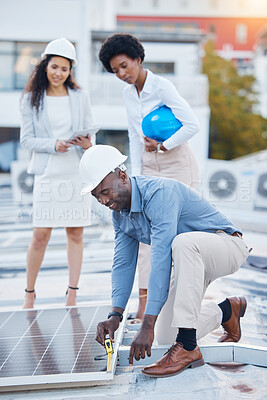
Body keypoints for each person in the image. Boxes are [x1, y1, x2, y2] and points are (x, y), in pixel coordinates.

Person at [79, 145, 249, 378]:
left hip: (226, 247)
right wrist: (115, 315)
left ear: (122, 176)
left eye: (105, 192)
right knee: (167, 337)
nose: (102, 200)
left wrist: (147, 323)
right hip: (190, 261)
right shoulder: (120, 215)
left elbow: (160, 256)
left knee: (181, 243)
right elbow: (123, 264)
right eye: (96, 196)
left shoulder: (160, 193)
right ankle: (227, 310)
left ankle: (188, 348)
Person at [99, 33, 200, 323]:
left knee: (177, 236)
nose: (121, 74)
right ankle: (145, 307)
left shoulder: (163, 87)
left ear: (138, 59)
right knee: (142, 234)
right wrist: (137, 177)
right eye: (115, 70)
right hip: (148, 166)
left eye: (124, 66)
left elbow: (191, 125)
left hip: (177, 163)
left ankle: (183, 303)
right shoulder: (127, 94)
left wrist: (163, 146)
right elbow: (133, 135)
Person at [20, 38, 94, 309]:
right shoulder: (31, 99)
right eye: (54, 67)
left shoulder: (81, 97)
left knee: (75, 233)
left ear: (70, 70)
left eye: (64, 68)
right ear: (45, 66)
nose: (58, 73)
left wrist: (86, 144)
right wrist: (53, 144)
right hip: (48, 174)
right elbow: (26, 140)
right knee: (40, 234)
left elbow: (90, 136)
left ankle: (72, 293)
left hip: (75, 173)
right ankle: (29, 294)